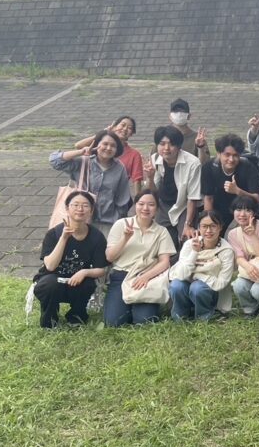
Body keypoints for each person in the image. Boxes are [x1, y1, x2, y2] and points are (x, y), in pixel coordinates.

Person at [32, 190, 108, 329]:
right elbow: (50, 266)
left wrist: (84, 272)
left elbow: (101, 269)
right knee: (50, 285)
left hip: (78, 281)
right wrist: (64, 238)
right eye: (75, 205)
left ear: (91, 211)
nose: (80, 209)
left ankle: (76, 317)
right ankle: (50, 321)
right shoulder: (54, 234)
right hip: (52, 278)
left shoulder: (97, 237)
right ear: (67, 208)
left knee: (87, 284)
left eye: (85, 205)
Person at [103, 190, 176, 327]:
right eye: (141, 204)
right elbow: (110, 256)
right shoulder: (121, 224)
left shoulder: (161, 231)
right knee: (113, 322)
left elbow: (165, 262)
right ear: (135, 205)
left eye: (151, 205)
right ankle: (126, 307)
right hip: (121, 275)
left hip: (147, 277)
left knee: (145, 321)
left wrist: (145, 277)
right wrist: (125, 238)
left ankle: (139, 309)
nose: (145, 208)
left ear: (157, 208)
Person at [50, 130, 131, 234]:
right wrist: (80, 152)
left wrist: (119, 218)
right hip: (80, 221)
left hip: (107, 223)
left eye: (113, 146)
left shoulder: (120, 168)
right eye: (105, 144)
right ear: (97, 145)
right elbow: (55, 161)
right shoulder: (83, 162)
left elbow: (122, 198)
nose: (108, 148)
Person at [168, 210, 235, 322]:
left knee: (197, 287)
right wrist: (194, 252)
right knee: (176, 285)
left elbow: (221, 283)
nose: (208, 230)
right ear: (199, 227)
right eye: (204, 226)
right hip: (187, 289)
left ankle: (204, 317)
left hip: (210, 293)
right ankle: (180, 318)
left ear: (220, 227)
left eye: (213, 226)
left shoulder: (226, 250)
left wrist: (197, 275)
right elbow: (180, 275)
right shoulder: (190, 244)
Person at [143, 126, 202, 247]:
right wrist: (150, 177)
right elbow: (153, 191)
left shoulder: (193, 163)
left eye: (171, 144)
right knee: (162, 243)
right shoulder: (155, 159)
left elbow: (192, 197)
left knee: (187, 240)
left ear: (179, 146)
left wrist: (188, 224)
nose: (166, 148)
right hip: (164, 206)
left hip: (184, 206)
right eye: (162, 144)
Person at [74, 115, 143, 195]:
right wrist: (103, 133)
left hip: (115, 195)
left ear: (131, 134)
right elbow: (78, 146)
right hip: (89, 193)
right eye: (122, 125)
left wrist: (138, 200)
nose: (125, 129)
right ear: (114, 126)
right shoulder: (100, 147)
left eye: (129, 128)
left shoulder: (134, 154)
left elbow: (137, 180)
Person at [201, 133, 259, 225]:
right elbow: (208, 198)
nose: (231, 159)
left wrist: (238, 191)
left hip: (242, 213)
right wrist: (209, 222)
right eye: (227, 155)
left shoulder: (248, 167)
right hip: (218, 212)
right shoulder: (209, 167)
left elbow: (257, 199)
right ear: (219, 154)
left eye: (235, 155)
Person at [166, 98, 211, 163]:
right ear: (170, 116)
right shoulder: (163, 136)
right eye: (175, 111)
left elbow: (204, 164)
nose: (179, 114)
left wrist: (200, 147)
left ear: (189, 116)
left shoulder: (198, 139)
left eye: (182, 111)